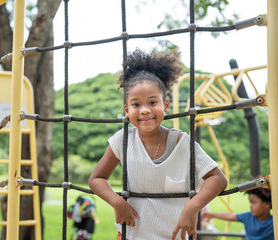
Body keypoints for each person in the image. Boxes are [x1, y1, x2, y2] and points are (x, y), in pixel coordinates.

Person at [88, 49, 227, 240]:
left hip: (172, 236)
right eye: (136, 105)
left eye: (152, 102)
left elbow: (217, 179)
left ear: (166, 106)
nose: (145, 110)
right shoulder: (123, 140)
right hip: (131, 234)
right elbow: (96, 178)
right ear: (127, 110)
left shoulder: (182, 142)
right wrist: (117, 202)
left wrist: (192, 208)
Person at [201, 188, 274, 240]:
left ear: (267, 204)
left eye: (253, 202)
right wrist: (212, 214)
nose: (250, 206)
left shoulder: (273, 222)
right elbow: (231, 216)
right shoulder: (248, 216)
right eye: (250, 202)